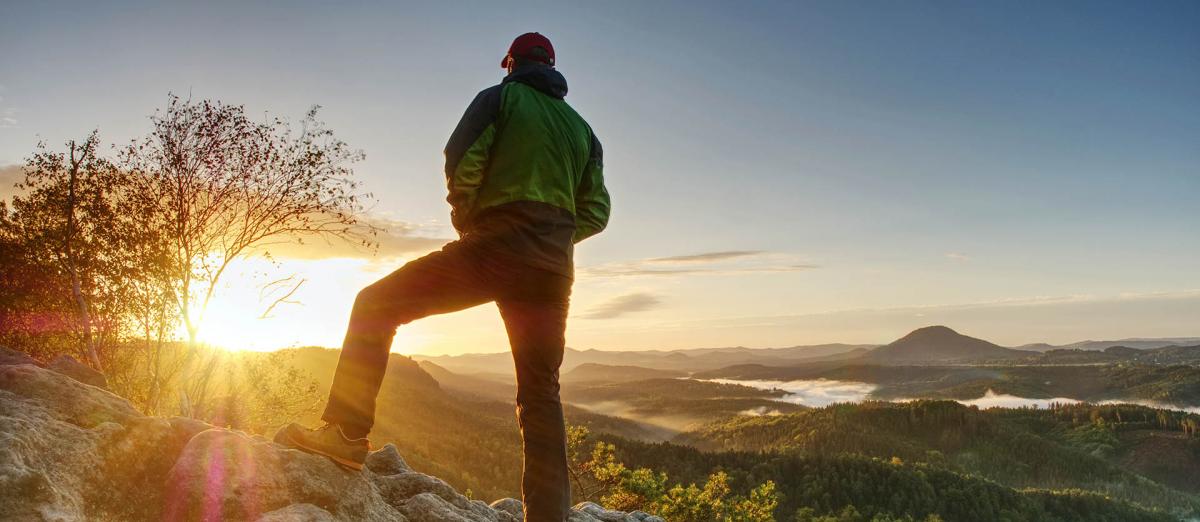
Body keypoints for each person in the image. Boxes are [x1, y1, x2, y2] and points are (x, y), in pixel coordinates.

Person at [278, 32, 610, 521]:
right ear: (554, 70)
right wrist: (553, 235)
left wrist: (471, 219)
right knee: (541, 392)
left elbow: (460, 159)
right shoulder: (584, 131)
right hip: (551, 271)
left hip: (494, 248)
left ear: (511, 63)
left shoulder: (499, 98)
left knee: (375, 305)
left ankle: (346, 436)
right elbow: (597, 211)